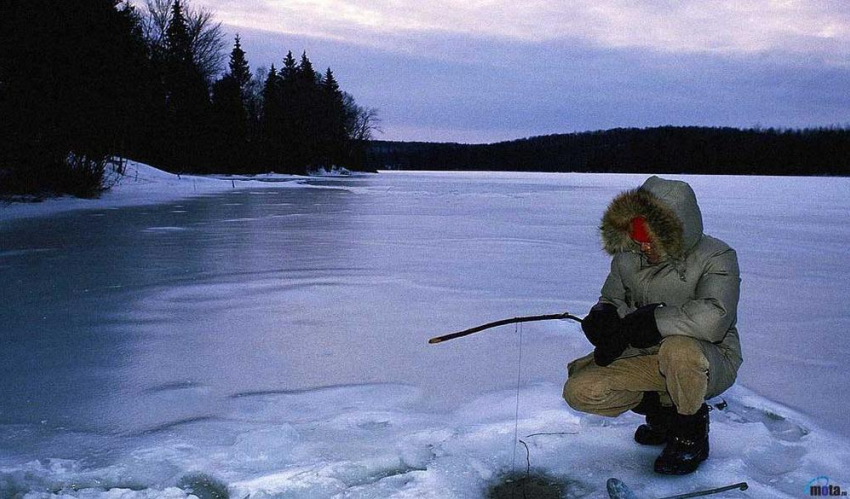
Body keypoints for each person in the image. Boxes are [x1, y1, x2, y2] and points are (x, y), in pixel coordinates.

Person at [562, 176, 742, 475]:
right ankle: (663, 414)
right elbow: (611, 298)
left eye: (651, 239)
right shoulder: (627, 257)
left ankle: (690, 433)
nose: (643, 246)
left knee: (679, 350)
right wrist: (603, 316)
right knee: (580, 391)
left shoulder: (717, 257)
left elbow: (714, 318)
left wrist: (653, 321)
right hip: (647, 356)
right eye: (638, 239)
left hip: (708, 360)